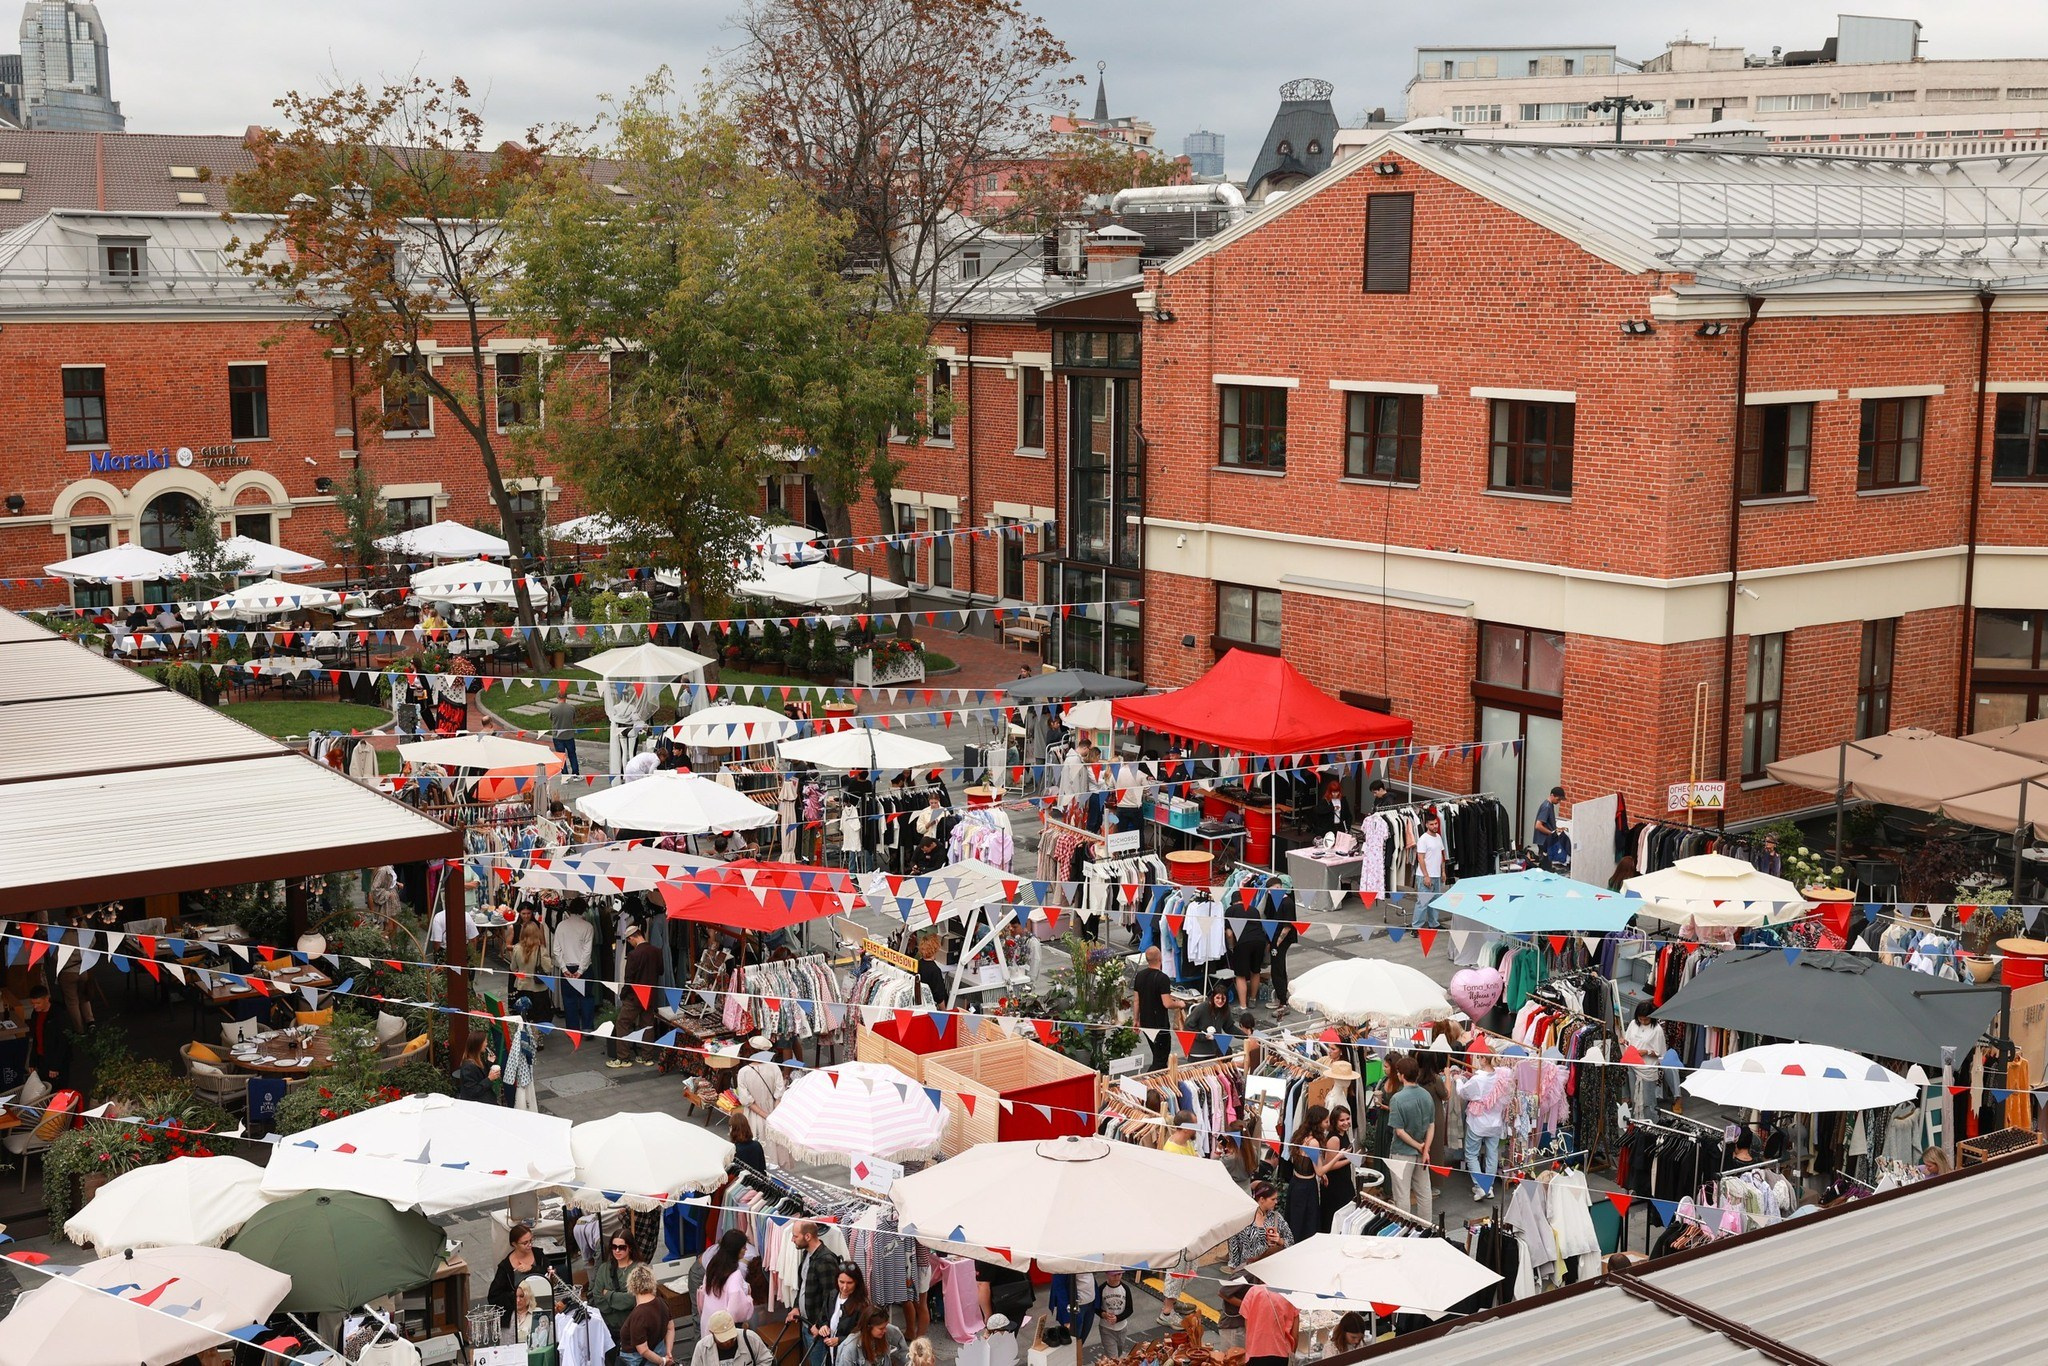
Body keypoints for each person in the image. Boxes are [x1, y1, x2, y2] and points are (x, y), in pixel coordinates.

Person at [1385, 1055, 1436, 1223]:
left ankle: (1404, 1229)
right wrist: (1425, 1149)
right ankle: (1426, 1228)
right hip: (1422, 1152)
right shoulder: (1426, 1095)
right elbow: (1431, 1125)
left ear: (1401, 1075)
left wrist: (1420, 1147)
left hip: (1402, 1153)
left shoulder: (1397, 1099)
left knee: (1402, 1196)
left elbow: (1399, 1132)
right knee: (1424, 1193)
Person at [787, 1221, 842, 1366]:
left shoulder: (825, 1260)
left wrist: (819, 1324)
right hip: (806, 1324)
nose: (792, 1239)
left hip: (816, 1330)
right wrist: (796, 1306)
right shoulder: (807, 1254)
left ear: (807, 1236)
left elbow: (831, 1297)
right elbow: (803, 1285)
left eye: (795, 1236)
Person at [609, 921, 663, 1069]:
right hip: (650, 995)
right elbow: (661, 971)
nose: (630, 944)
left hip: (634, 996)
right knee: (647, 1025)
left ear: (633, 938)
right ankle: (647, 1057)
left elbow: (629, 979)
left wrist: (623, 995)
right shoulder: (656, 951)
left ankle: (623, 1058)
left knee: (623, 1023)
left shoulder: (633, 955)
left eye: (629, 941)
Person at [1458, 1047, 1506, 1200]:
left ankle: (1481, 1187)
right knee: (1492, 1154)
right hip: (1495, 1122)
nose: (1478, 1060)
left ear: (1484, 1059)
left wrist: (1458, 1080)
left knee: (1472, 1154)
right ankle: (1488, 1186)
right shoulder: (1500, 1077)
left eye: (1479, 1058)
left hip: (1478, 1122)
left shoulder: (1478, 1079)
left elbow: (1463, 1093)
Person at [587, 1230, 644, 1347]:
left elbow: (633, 1299)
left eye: (622, 1247)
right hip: (608, 1329)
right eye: (614, 1247)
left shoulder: (639, 1270)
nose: (617, 1251)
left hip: (632, 1329)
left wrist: (608, 1295)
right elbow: (597, 1296)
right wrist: (620, 1305)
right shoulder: (604, 1268)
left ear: (630, 1248)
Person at [1224, 1180, 1294, 1272]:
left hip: (1270, 1270)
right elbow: (1234, 1245)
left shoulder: (1276, 1217)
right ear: (1262, 1199)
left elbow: (1291, 1242)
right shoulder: (1243, 1219)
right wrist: (1234, 1269)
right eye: (1273, 1199)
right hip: (1247, 1271)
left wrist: (1279, 1240)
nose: (1276, 1202)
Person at [1131, 946, 1181, 1071]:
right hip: (1159, 1024)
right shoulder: (1162, 978)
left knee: (1157, 1055)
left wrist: (1136, 1019)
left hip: (1146, 1022)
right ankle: (1149, 1082)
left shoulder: (1139, 975)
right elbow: (1167, 1003)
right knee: (1160, 1061)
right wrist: (1179, 1004)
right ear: (1160, 958)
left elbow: (1136, 1000)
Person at [698, 1228, 756, 1326]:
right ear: (735, 1250)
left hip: (708, 1318)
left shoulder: (713, 1264)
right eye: (743, 1248)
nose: (746, 1250)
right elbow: (736, 1310)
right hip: (724, 1326)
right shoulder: (734, 1274)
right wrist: (749, 1298)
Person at [621, 1263, 675, 1366]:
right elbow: (670, 1328)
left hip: (638, 1360)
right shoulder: (661, 1302)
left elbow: (643, 1350)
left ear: (631, 1285)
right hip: (659, 1350)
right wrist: (668, 1352)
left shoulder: (638, 1314)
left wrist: (662, 1361)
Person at [487, 1223, 542, 1320]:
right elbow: (494, 1296)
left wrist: (532, 1269)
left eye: (531, 1241)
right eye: (525, 1243)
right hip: (517, 1311)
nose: (529, 1245)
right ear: (514, 1244)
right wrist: (516, 1296)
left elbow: (549, 1273)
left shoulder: (538, 1254)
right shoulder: (505, 1267)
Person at [1623, 1001, 1666, 1120]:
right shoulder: (1633, 1024)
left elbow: (1661, 1052)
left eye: (1646, 1019)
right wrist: (1623, 1041)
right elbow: (1629, 1041)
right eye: (1640, 1019)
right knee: (1634, 1095)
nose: (1643, 1022)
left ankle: (1651, 1122)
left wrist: (1646, 1051)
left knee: (1648, 1099)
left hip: (1647, 1068)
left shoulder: (1657, 1030)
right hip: (1633, 1065)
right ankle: (1636, 1122)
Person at [1241, 1281, 1299, 1366]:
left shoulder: (1253, 1291)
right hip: (1281, 1353)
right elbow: (1295, 1334)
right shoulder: (1290, 1295)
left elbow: (1247, 1325)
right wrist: (1292, 1353)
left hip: (1255, 1351)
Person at [1319, 1107, 1359, 1230]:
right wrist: (1350, 1159)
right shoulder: (1334, 1139)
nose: (1346, 1122)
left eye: (1348, 1119)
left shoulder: (1344, 1133)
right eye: (1342, 1120)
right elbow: (1329, 1165)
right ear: (1335, 1121)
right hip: (1335, 1184)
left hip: (1344, 1179)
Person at [23, 985, 70, 1088]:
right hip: (41, 1058)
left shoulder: (58, 1014)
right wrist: (32, 1062)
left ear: (47, 998)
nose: (35, 1006)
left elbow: (63, 1042)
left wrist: (55, 1066)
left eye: (38, 1003)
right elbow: (36, 1038)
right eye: (33, 1003)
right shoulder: (35, 1014)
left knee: (57, 1090)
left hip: (56, 1060)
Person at [821, 1264, 868, 1356]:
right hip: (831, 1353)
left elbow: (864, 1334)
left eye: (849, 1283)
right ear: (836, 1280)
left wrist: (840, 1340)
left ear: (857, 1283)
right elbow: (824, 1317)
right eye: (841, 1282)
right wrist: (824, 1326)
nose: (845, 1287)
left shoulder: (862, 1305)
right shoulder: (832, 1295)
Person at [694, 1310, 772, 1366]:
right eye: (723, 1340)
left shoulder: (750, 1338)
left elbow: (766, 1359)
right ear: (712, 1333)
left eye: (731, 1338)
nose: (728, 1342)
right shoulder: (702, 1348)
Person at [836, 1306, 908, 1366]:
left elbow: (905, 1353)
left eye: (885, 1326)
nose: (885, 1330)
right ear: (868, 1327)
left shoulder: (889, 1330)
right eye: (881, 1328)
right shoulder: (850, 1347)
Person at [1412, 815, 1448, 928]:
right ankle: (1416, 927)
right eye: (1431, 824)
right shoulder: (1423, 839)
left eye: (1436, 823)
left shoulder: (1438, 837)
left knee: (1435, 901)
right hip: (1425, 875)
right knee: (1422, 902)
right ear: (1427, 825)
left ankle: (1434, 923)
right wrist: (1426, 876)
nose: (1434, 826)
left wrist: (1443, 872)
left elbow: (1441, 856)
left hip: (1437, 875)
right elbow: (1420, 858)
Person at [1183, 985, 1236, 1060]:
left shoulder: (1225, 1010)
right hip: (1198, 1053)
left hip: (1214, 1052)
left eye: (1223, 998)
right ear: (1213, 997)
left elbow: (1229, 1027)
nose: (1220, 1001)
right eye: (1217, 998)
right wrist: (1203, 1036)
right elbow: (1188, 1025)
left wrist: (1247, 1036)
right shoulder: (1203, 1007)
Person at [1094, 1269, 1134, 1358]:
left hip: (1122, 1328)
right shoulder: (1102, 1289)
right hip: (1106, 1328)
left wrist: (1118, 1318)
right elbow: (1096, 1308)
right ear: (1107, 1274)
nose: (1117, 1277)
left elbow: (1129, 1309)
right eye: (1113, 1275)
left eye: (1119, 1274)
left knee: (1119, 1352)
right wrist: (1103, 1314)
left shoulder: (1125, 1289)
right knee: (1113, 1356)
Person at [512, 1275, 556, 1348]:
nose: (518, 1300)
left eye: (521, 1296)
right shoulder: (508, 1317)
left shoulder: (538, 1313)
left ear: (528, 1296)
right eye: (515, 1296)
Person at [454, 1035, 498, 1104]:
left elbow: (483, 1076)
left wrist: (490, 1063)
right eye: (485, 1042)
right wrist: (489, 1079)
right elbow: (472, 1091)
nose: (486, 1044)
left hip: (485, 1099)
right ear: (478, 1044)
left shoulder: (479, 1059)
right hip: (476, 1104)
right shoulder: (468, 1066)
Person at [1534, 785, 1570, 867]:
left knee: (1548, 863)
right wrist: (1552, 832)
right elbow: (1538, 825)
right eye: (1558, 799)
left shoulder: (1549, 806)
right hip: (1544, 841)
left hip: (1546, 840)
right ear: (1552, 795)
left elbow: (1548, 824)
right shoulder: (1546, 807)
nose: (1559, 802)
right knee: (1545, 864)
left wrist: (1557, 829)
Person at [549, 692, 582, 775]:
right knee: (572, 754)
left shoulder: (553, 709)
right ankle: (575, 773)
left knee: (561, 756)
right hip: (569, 736)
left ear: (557, 697)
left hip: (557, 736)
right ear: (566, 697)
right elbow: (574, 718)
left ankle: (565, 775)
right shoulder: (571, 708)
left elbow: (551, 718)